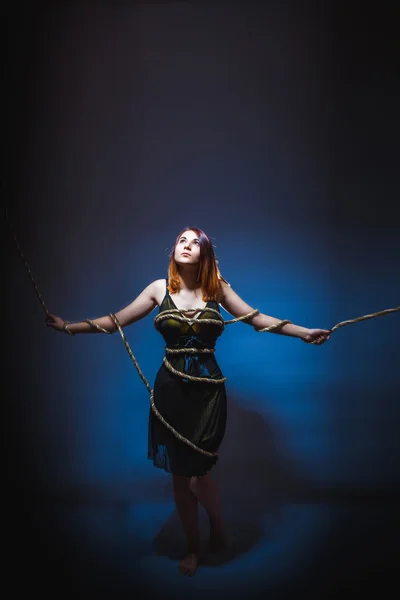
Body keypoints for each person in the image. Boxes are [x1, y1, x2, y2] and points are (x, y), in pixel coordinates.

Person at [46, 226, 331, 576]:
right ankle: (194, 547)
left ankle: (217, 522)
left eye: (195, 242)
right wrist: (67, 327)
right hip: (171, 392)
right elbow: (116, 320)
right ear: (174, 250)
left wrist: (304, 333)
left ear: (205, 255)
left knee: (199, 475)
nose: (186, 245)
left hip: (208, 392)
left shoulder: (217, 290)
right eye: (182, 240)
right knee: (181, 476)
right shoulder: (158, 289)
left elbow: (256, 319)